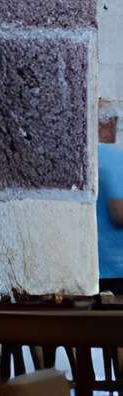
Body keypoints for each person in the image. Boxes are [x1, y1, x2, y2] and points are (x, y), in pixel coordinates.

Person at [99, 103, 123, 296]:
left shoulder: (83, 159)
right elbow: (119, 213)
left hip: (89, 267)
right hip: (117, 268)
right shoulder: (114, 158)